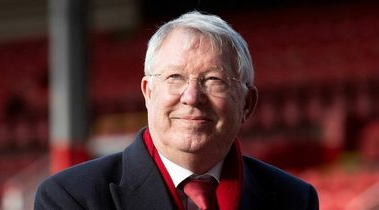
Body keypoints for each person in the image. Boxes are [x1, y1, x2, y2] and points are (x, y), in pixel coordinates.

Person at [35, 11, 319, 210]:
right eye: (174, 78)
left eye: (214, 80)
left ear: (247, 104)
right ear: (148, 93)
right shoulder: (71, 198)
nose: (192, 97)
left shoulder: (294, 199)